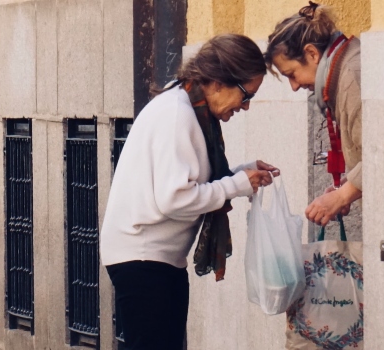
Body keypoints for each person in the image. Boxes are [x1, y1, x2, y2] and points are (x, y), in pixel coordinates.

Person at [100, 34, 280, 350]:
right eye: (245, 94)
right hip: (143, 257)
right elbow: (175, 198)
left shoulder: (187, 108)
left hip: (156, 257)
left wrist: (243, 173)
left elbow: (192, 180)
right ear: (219, 81)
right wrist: (236, 185)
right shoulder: (177, 114)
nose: (246, 106)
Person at [264, 1, 362, 227]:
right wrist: (347, 187)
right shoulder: (343, 71)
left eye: (292, 74)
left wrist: (342, 195)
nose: (294, 86)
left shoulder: (352, 79)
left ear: (311, 53)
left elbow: (379, 156)